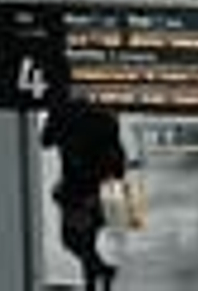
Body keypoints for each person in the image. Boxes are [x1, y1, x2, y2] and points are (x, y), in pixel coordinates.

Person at [41, 98, 126, 291]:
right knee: (84, 241)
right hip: (97, 188)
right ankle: (100, 274)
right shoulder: (104, 117)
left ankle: (100, 273)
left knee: (75, 241)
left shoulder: (65, 116)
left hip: (79, 189)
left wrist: (53, 118)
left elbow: (45, 140)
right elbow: (117, 159)